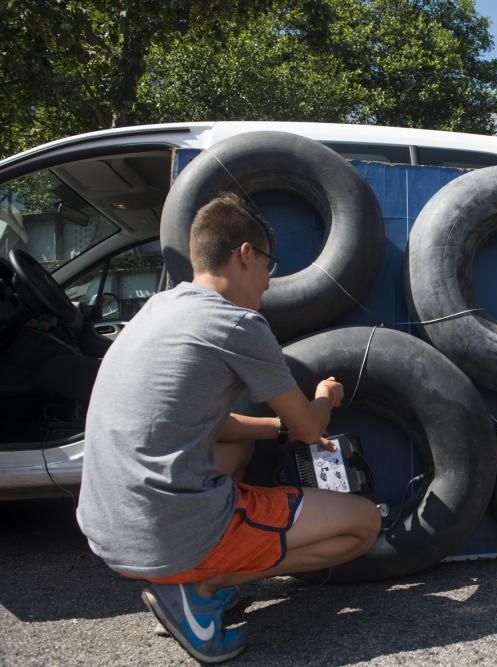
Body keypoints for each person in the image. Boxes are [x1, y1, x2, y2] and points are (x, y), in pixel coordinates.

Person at [76, 192, 381, 662]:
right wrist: (323, 398)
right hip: (166, 534)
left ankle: (196, 572)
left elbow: (211, 425)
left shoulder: (158, 309)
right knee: (363, 525)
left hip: (109, 530)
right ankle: (200, 587)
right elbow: (307, 430)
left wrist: (276, 428)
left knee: (233, 450)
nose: (267, 280)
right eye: (268, 265)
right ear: (245, 254)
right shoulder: (237, 323)